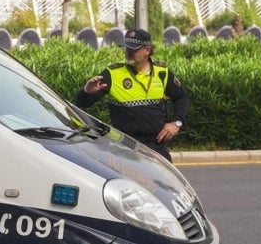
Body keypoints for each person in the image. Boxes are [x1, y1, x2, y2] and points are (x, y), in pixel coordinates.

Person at [72, 27, 189, 162]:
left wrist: (177, 123)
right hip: (124, 148)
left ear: (148, 50)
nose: (128, 52)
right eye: (126, 48)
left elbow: (181, 97)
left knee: (167, 182)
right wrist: (87, 92)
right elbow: (81, 103)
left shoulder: (162, 72)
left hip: (156, 147)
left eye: (133, 49)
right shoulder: (113, 73)